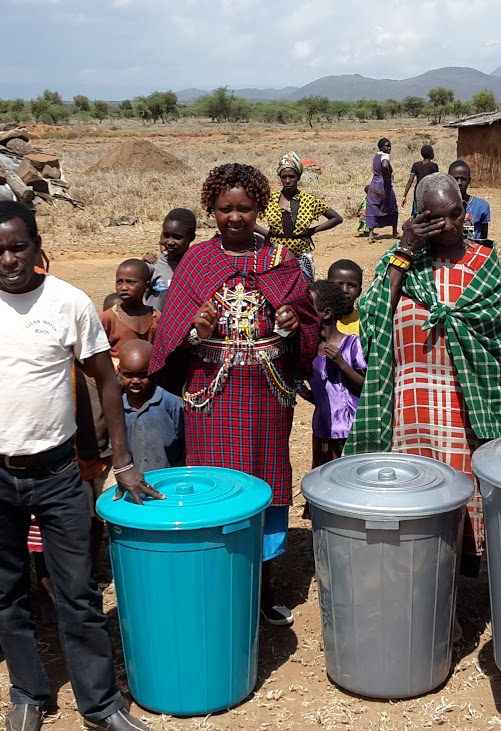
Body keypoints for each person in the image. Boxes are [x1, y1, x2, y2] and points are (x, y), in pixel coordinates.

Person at [0, 199, 160, 731]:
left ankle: (100, 704)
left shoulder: (69, 303)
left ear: (37, 244)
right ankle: (29, 692)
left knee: (77, 591)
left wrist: (123, 460)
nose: (9, 259)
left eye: (19, 247)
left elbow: (105, 380)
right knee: (6, 592)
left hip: (58, 472)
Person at [150, 163, 317, 627]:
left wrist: (291, 324)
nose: (236, 217)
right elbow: (170, 338)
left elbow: (308, 325)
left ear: (260, 207)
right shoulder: (198, 263)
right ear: (212, 210)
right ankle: (217, 587)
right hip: (212, 398)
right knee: (216, 487)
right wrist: (193, 330)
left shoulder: (282, 261)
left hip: (267, 396)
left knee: (265, 485)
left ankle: (261, 592)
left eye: (245, 208)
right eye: (225, 209)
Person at [347, 172, 501, 581]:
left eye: (457, 214)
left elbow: (493, 333)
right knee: (411, 497)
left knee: (457, 495)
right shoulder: (400, 261)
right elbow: (373, 317)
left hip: (461, 403)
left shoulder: (484, 261)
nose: (452, 225)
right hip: (408, 407)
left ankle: (448, 595)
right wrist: (404, 250)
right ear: (421, 217)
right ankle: (411, 587)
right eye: (439, 218)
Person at [303, 280, 366, 468]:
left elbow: (365, 386)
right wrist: (315, 399)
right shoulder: (309, 350)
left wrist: (341, 363)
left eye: (308, 308)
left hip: (351, 430)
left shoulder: (352, 344)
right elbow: (299, 379)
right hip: (322, 428)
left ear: (326, 313)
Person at [256, 151, 343, 280]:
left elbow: (337, 218)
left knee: (304, 292)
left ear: (299, 176)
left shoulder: (309, 201)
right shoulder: (270, 199)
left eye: (291, 176)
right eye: (283, 176)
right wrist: (266, 234)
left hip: (301, 256)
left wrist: (313, 230)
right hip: (274, 256)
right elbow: (248, 219)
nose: (287, 181)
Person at [118, 340, 185, 473]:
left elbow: (184, 441)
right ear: (119, 372)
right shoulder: (118, 407)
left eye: (143, 375)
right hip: (137, 480)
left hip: (170, 477)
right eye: (128, 375)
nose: (135, 381)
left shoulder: (169, 401)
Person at [100, 259, 158, 361]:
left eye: (130, 282)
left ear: (147, 286)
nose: (123, 287)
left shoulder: (156, 317)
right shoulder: (108, 318)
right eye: (119, 282)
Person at [144, 207, 197, 311]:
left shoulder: (196, 267)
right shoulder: (153, 264)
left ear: (191, 237)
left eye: (177, 237)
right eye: (166, 235)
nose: (170, 242)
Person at [365, 138, 399, 242]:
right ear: (381, 147)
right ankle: (394, 232)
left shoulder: (376, 156)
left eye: (390, 146)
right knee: (392, 206)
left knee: (372, 207)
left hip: (374, 185)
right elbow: (384, 165)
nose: (389, 148)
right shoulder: (385, 156)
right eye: (387, 146)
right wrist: (388, 177)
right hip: (383, 185)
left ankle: (371, 235)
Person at [449, 160, 491, 241]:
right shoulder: (441, 206)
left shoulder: (481, 206)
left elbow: (484, 238)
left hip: (473, 251)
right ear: (448, 179)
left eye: (463, 179)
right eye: (455, 179)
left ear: (469, 181)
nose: (459, 183)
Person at [327, 258, 363, 336]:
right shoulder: (321, 321)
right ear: (328, 287)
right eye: (339, 284)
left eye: (351, 285)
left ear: (359, 292)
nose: (344, 290)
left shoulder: (363, 324)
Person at [400, 144, 439, 215]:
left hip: (418, 190)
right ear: (431, 154)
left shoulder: (416, 165)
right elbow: (436, 181)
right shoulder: (433, 166)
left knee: (417, 211)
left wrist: (404, 195)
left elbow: (410, 180)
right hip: (428, 191)